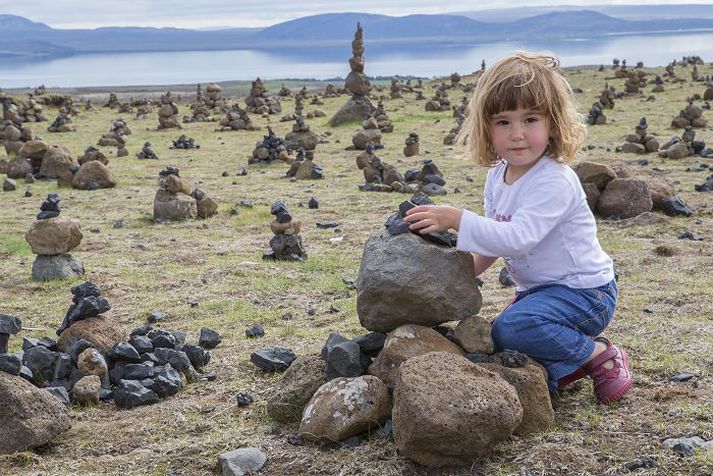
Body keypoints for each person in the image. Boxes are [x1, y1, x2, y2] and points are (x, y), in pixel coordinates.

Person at [403, 51, 631, 404]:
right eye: (503, 122)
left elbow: (518, 239)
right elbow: (492, 240)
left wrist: (457, 219)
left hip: (586, 294)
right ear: (486, 127)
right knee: (501, 334)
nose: (517, 134)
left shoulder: (554, 180)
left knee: (514, 329)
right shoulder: (498, 175)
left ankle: (596, 354)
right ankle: (555, 370)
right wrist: (455, 279)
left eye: (530, 119)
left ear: (552, 124)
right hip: (542, 292)